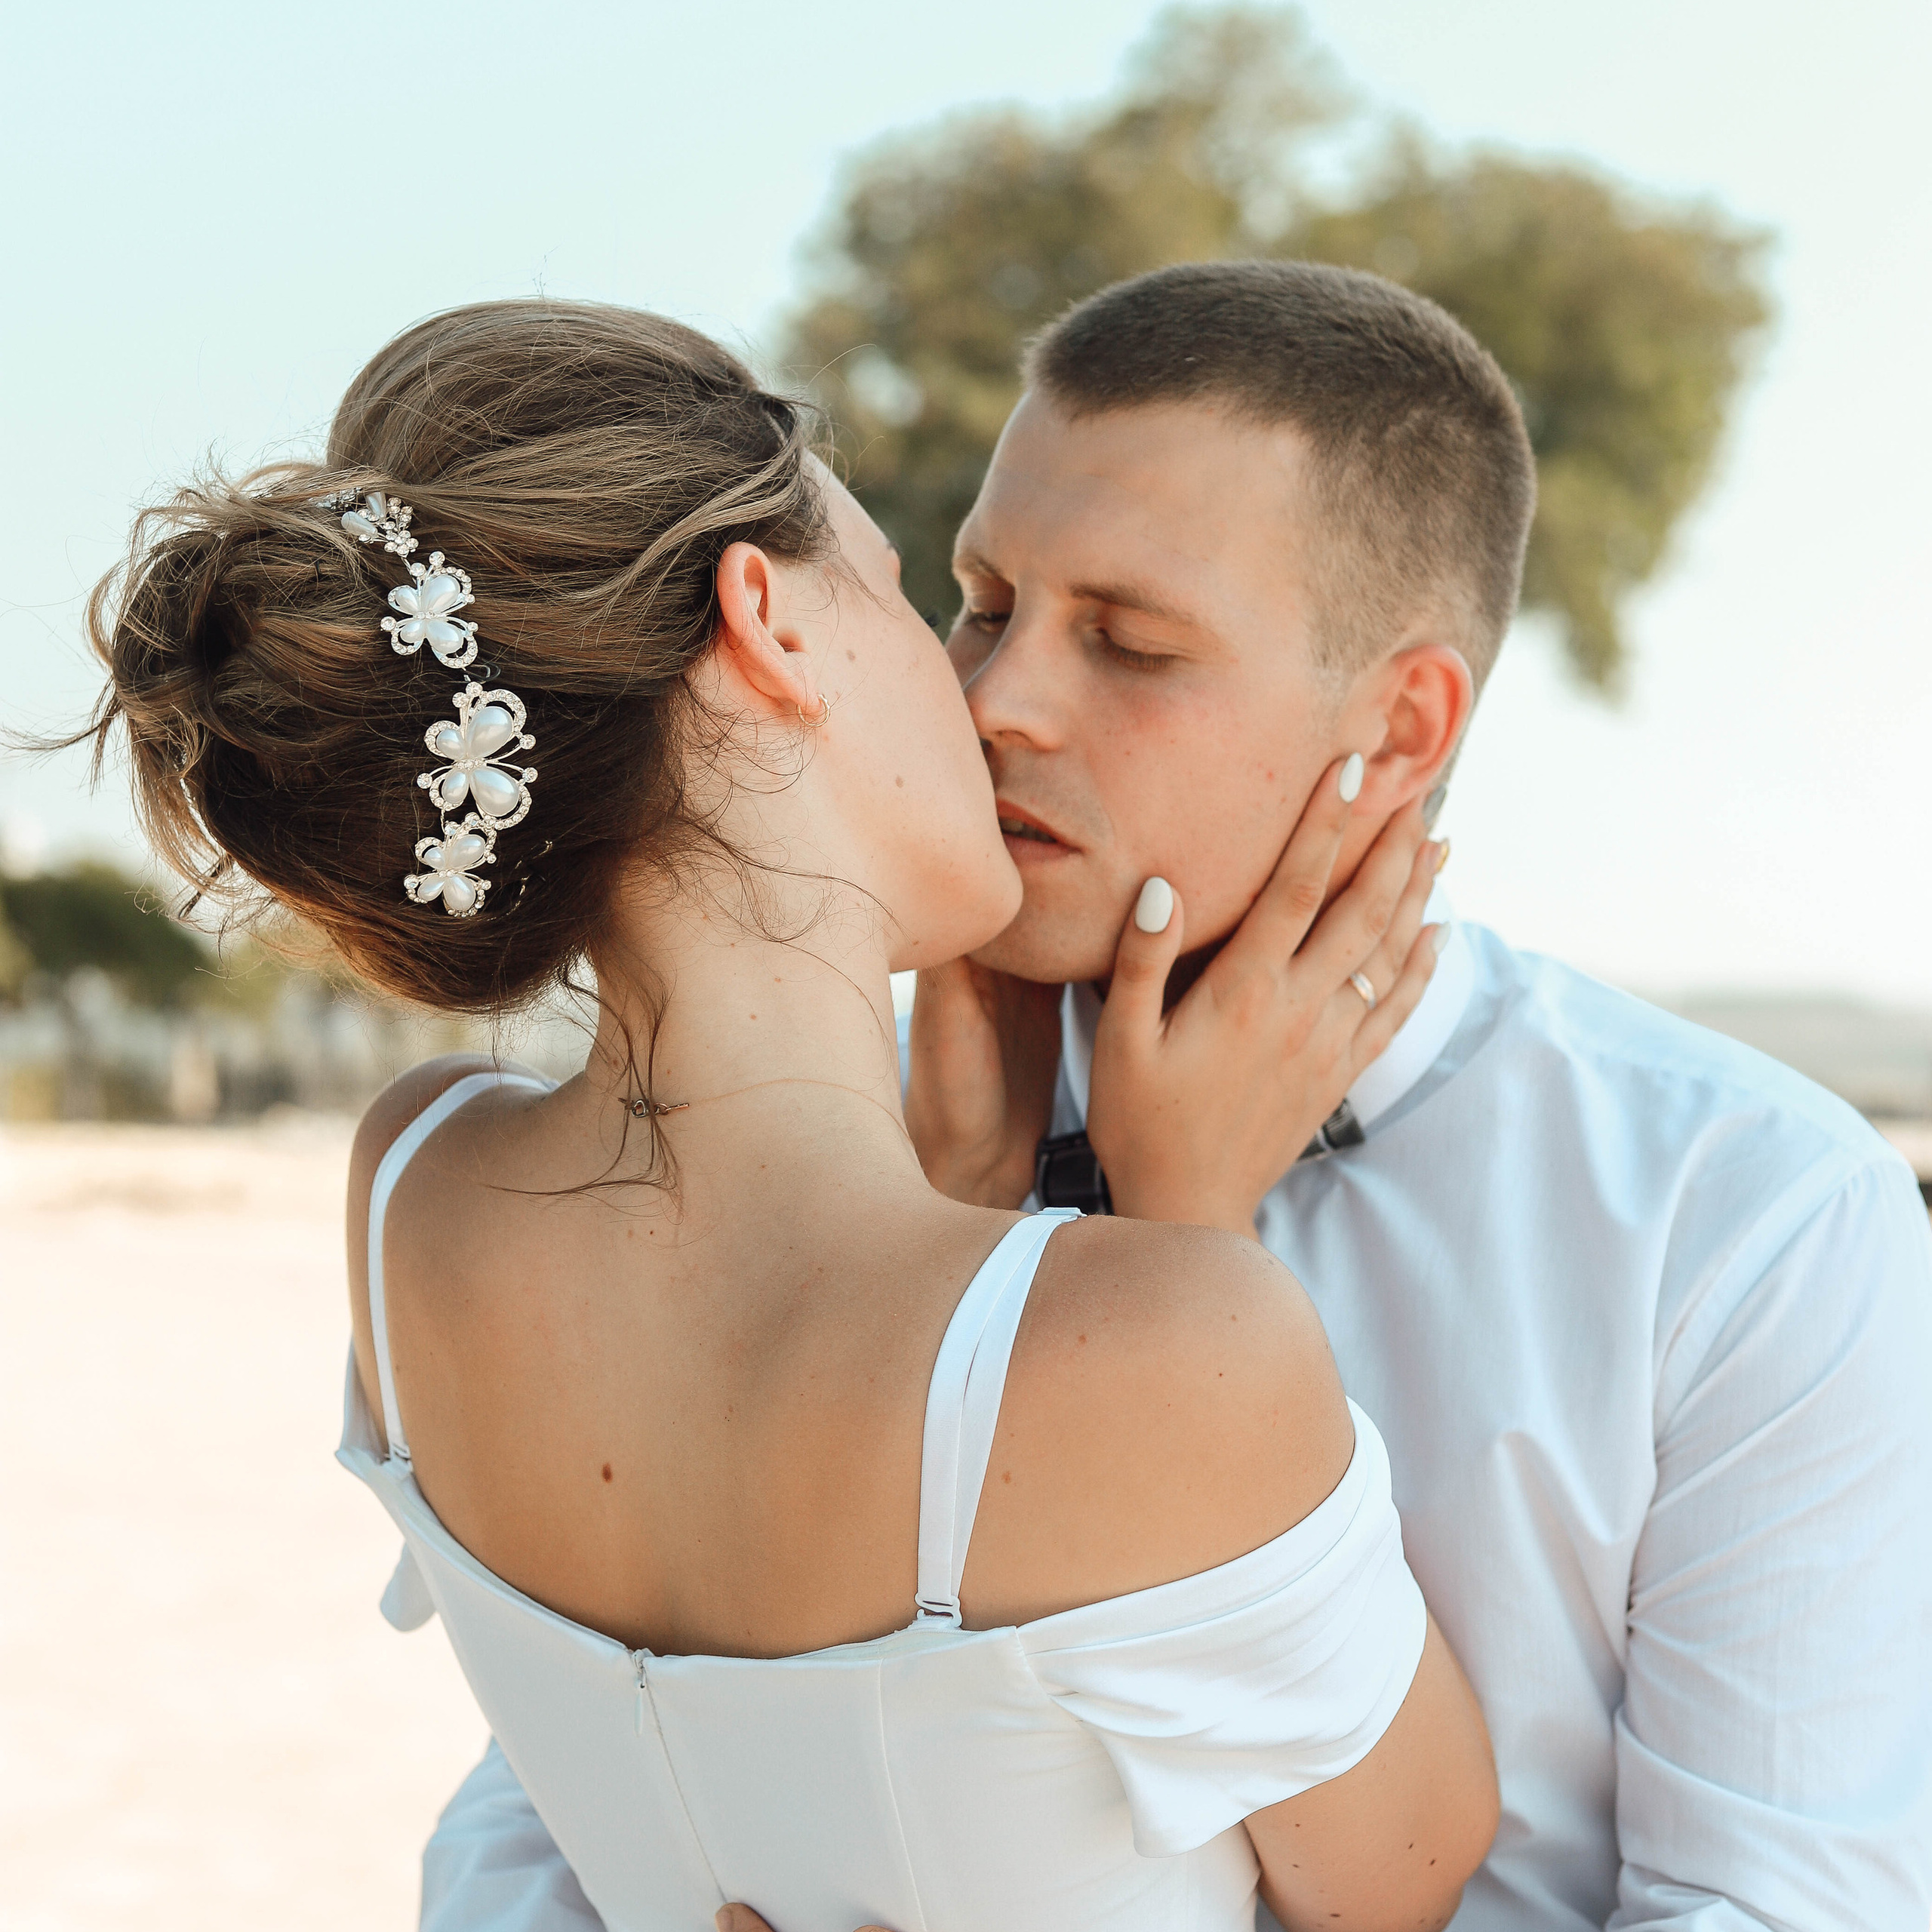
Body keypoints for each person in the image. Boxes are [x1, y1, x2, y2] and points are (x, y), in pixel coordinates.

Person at [424, 265, 1932, 1932]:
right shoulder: (838, 1125)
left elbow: (1776, 1905)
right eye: (983, 603)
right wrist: (938, 1218)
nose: (997, 702)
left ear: (1397, 729)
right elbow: (546, 1796)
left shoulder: (1750, 1217)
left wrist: (1169, 1234)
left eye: (1129, 644)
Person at [82, 299, 1500, 1931]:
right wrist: (1179, 1222)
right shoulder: (1169, 1340)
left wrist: (966, 1201)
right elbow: (1397, 1878)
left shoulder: (412, 1187)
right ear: (767, 625)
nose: (982, 695)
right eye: (919, 600)